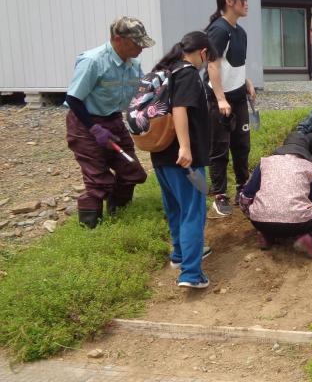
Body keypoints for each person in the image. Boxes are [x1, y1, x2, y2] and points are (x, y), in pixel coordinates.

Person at [65, 16, 153, 228]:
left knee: (132, 172)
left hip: (113, 120)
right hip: (85, 124)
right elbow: (73, 99)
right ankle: (90, 228)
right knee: (98, 181)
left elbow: (140, 95)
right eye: (136, 43)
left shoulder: (134, 65)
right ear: (118, 39)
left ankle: (119, 215)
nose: (141, 48)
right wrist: (94, 129)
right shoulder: (94, 61)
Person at [151, 32, 217, 289]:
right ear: (202, 52)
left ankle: (179, 256)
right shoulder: (187, 73)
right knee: (193, 211)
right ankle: (191, 274)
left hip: (161, 155)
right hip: (184, 158)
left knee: (176, 209)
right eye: (207, 57)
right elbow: (179, 109)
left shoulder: (167, 71)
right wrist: (186, 148)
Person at [238, 131, 312, 257]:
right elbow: (310, 203)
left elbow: (247, 195)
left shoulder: (265, 162)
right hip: (295, 225)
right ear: (305, 151)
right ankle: (311, 238)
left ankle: (266, 234)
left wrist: (253, 215)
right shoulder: (310, 168)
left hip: (259, 221)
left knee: (265, 211)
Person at [205, 0, 256, 218]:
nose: (246, 4)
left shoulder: (240, 32)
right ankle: (220, 195)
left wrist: (246, 81)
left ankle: (242, 189)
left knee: (241, 145)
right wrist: (220, 99)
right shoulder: (219, 30)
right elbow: (213, 65)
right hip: (221, 101)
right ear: (229, 2)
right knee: (220, 147)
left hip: (238, 96)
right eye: (242, 0)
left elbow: (233, 63)